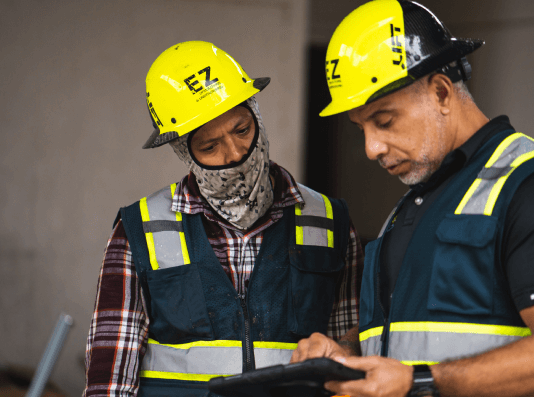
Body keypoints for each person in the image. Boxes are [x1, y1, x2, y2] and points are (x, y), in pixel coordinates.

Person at [290, 1, 534, 397]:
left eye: (384, 121)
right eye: (360, 128)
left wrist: (416, 382)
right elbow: (413, 328)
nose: (371, 147)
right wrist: (347, 351)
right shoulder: (414, 204)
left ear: (440, 92)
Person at [83, 41, 364, 397]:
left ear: (257, 116)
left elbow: (352, 355)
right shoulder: (139, 230)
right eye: (209, 147)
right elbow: (110, 380)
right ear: (184, 150)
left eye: (242, 130)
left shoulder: (329, 222)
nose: (235, 154)